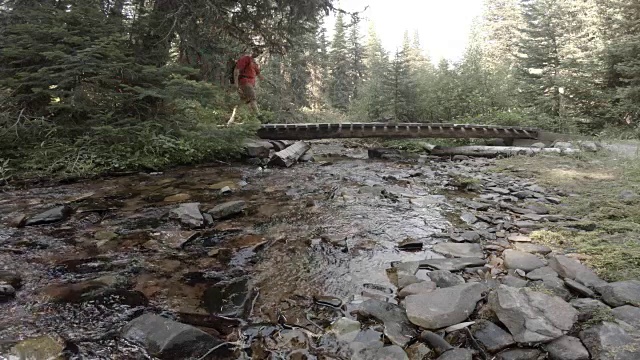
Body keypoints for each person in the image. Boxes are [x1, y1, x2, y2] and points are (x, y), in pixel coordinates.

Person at [228, 50, 264, 125]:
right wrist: (236, 84)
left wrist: (262, 78)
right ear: (252, 50)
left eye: (259, 53)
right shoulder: (245, 59)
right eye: (256, 51)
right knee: (252, 98)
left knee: (243, 101)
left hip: (250, 83)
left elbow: (258, 74)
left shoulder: (254, 63)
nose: (257, 53)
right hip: (245, 82)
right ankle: (259, 118)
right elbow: (236, 70)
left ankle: (231, 120)